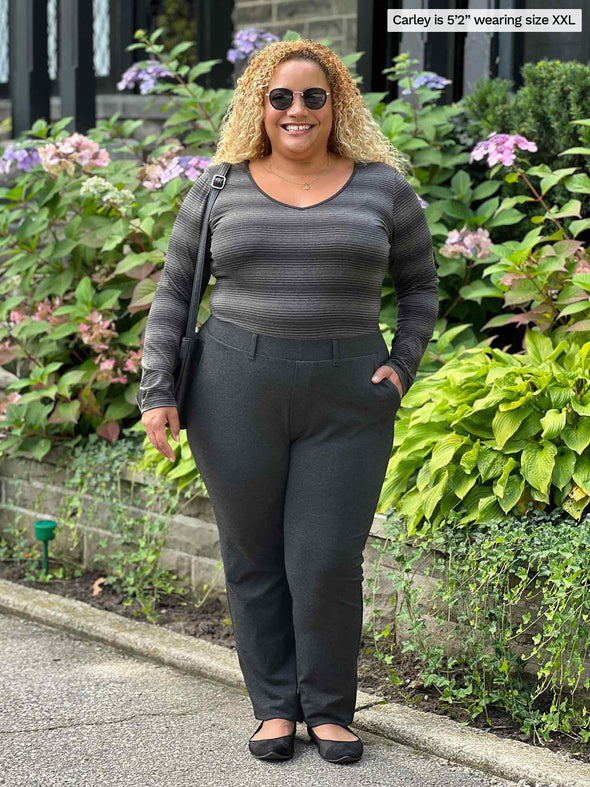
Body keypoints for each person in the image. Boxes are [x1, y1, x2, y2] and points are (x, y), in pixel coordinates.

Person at [137, 38, 439, 764]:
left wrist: (401, 366)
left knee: (328, 558)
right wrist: (157, 390)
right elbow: (176, 292)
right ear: (258, 106)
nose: (296, 111)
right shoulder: (219, 186)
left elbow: (421, 289)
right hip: (234, 389)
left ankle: (329, 708)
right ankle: (275, 707)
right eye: (280, 98)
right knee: (253, 555)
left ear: (336, 104)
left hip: (347, 398)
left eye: (312, 97)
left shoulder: (383, 189)